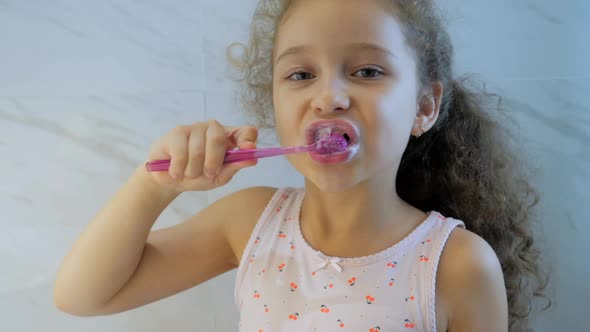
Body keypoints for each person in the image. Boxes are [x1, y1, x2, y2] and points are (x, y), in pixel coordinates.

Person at [54, 0, 549, 331]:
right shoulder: (249, 223)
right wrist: (156, 184)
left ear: (423, 107)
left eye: (368, 71)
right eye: (300, 74)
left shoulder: (459, 263)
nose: (328, 96)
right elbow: (83, 296)